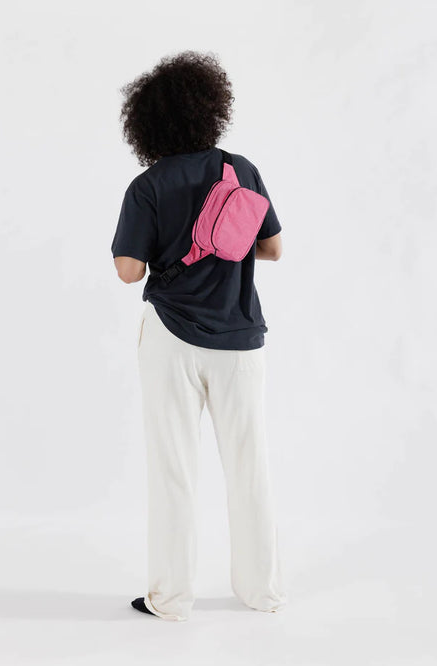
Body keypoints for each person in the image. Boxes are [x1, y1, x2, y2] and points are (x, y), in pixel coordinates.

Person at [111, 50, 286, 622]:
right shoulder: (241, 169)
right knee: (249, 464)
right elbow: (272, 249)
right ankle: (262, 592)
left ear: (147, 123)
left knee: (173, 468)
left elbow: (128, 271)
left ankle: (170, 599)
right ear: (211, 109)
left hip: (172, 338)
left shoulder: (148, 186)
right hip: (241, 337)